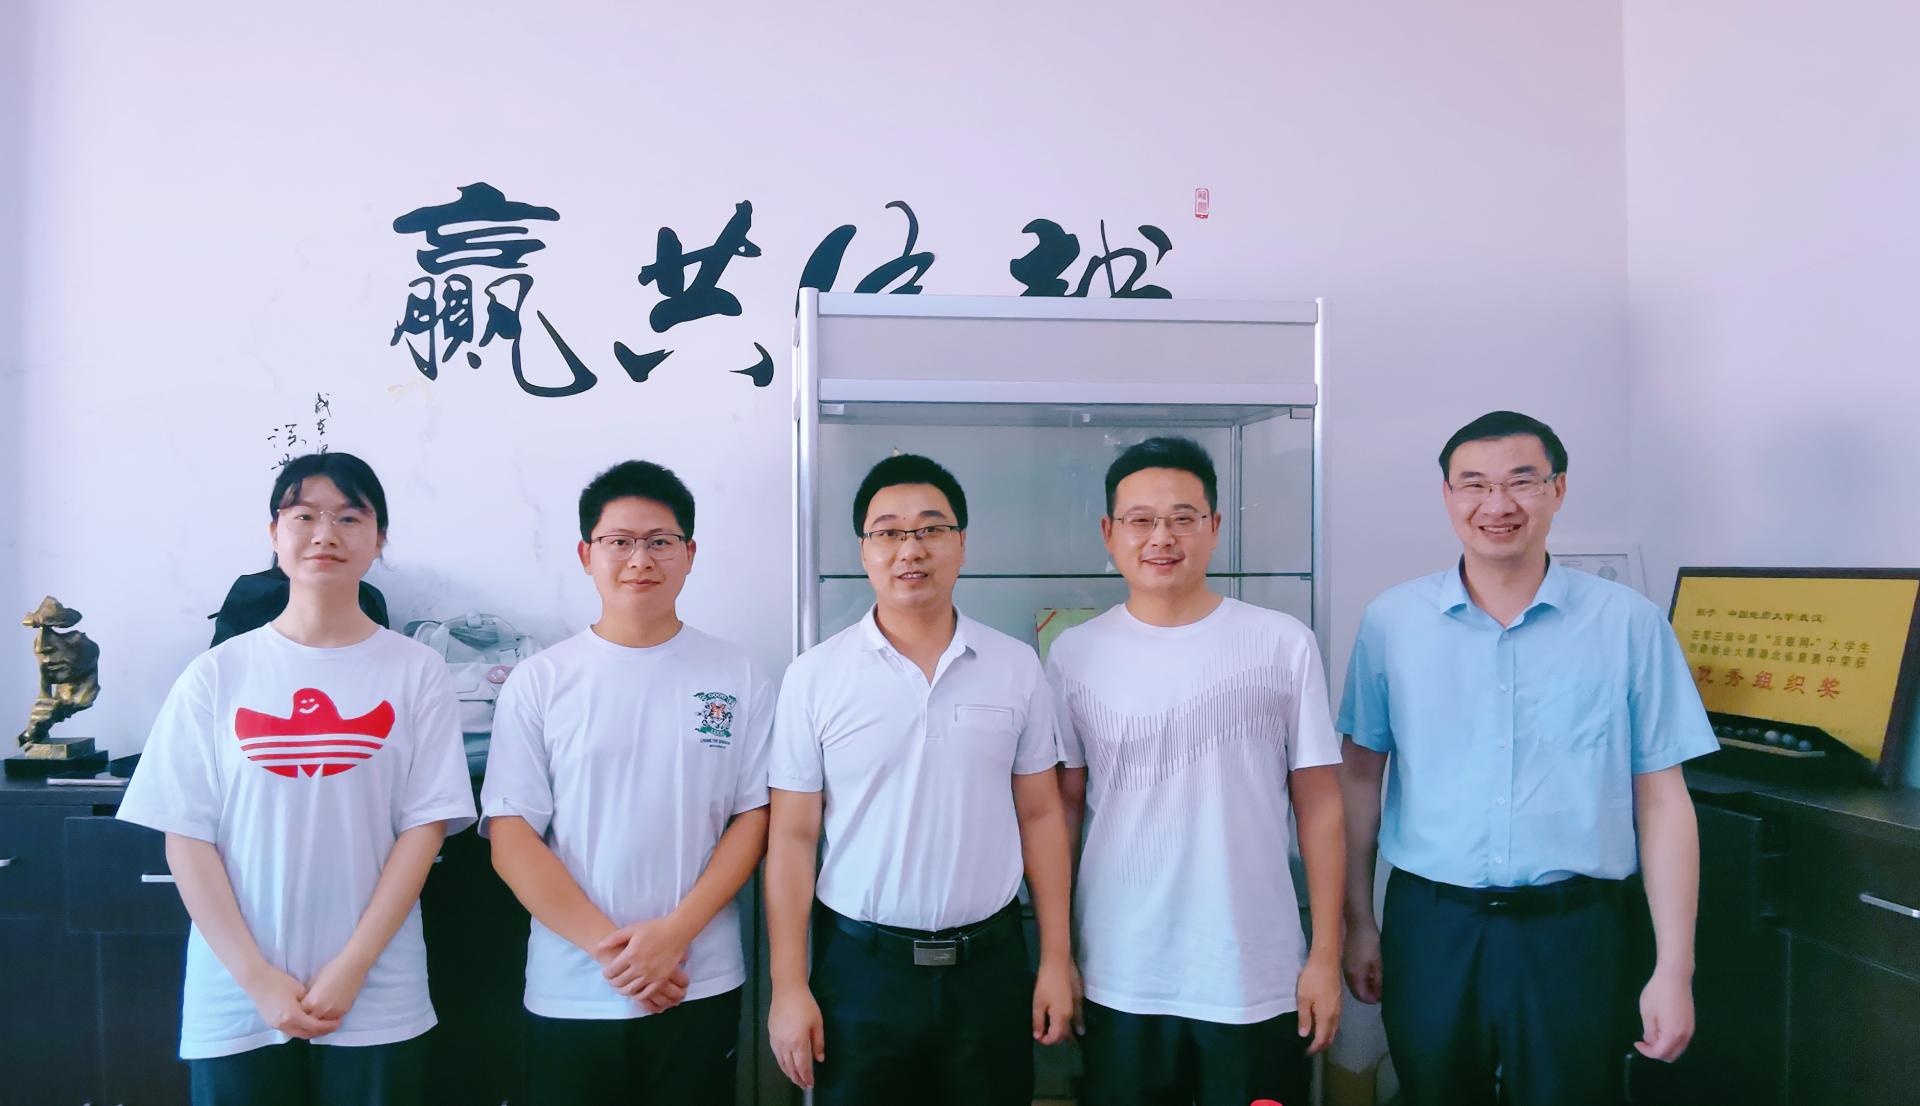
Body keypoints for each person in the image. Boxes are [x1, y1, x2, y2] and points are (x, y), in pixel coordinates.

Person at [1338, 410, 1715, 1106]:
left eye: (1521, 481)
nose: (1497, 504)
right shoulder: (1392, 622)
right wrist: (1358, 921)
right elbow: (1360, 776)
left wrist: (1674, 968)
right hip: (1433, 926)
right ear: (1447, 495)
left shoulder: (1627, 624)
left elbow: (1664, 800)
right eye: (1474, 484)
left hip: (1576, 930)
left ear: (1558, 489)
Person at [119, 452, 476, 1105]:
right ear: (274, 534)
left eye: (349, 517)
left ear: (379, 538)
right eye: (304, 515)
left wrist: (353, 968)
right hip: (236, 994)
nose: (325, 534)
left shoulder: (416, 671)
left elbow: (423, 831)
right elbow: (187, 837)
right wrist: (257, 979)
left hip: (377, 989)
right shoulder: (216, 675)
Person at [765, 453, 1075, 1105]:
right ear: (864, 550)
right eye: (889, 532)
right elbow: (792, 836)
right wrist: (788, 986)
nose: (911, 548)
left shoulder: (1015, 666)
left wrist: (1055, 958)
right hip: (860, 971)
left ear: (961, 543)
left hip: (990, 968)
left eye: (932, 528)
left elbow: (1042, 814)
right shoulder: (814, 676)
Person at [1052, 436, 1345, 1106]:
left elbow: (1322, 806)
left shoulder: (1282, 643)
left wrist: (1325, 953)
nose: (1162, 537)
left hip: (1254, 975)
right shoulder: (1073, 654)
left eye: (1183, 518)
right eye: (1141, 520)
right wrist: (1058, 954)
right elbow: (1060, 813)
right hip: (1120, 975)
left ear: (1214, 527)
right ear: (1109, 532)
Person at [482, 460, 772, 1104]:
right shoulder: (541, 680)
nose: (640, 559)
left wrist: (672, 938)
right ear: (586, 555)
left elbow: (753, 819)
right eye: (619, 541)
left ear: (689, 554)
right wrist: (617, 956)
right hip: (571, 988)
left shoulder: (738, 674)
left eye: (660, 541)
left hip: (698, 976)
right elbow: (511, 837)